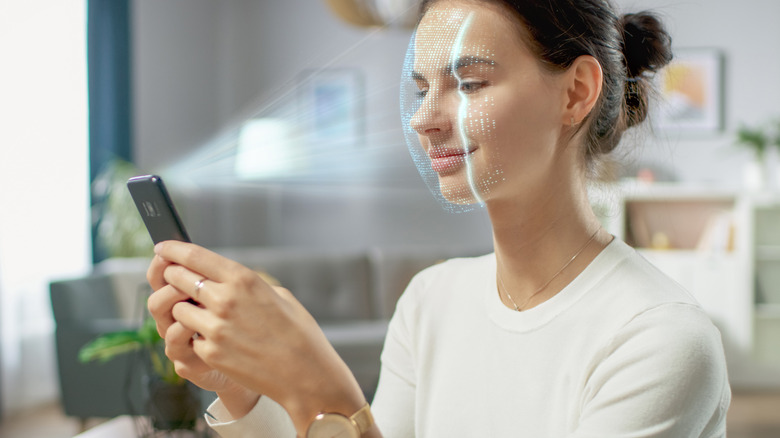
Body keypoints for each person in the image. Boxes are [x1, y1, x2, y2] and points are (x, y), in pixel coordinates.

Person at [147, 0, 731, 436]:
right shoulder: (431, 301)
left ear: (575, 93)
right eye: (423, 88)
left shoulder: (660, 340)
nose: (423, 120)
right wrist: (249, 392)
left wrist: (319, 389)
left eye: (470, 84)